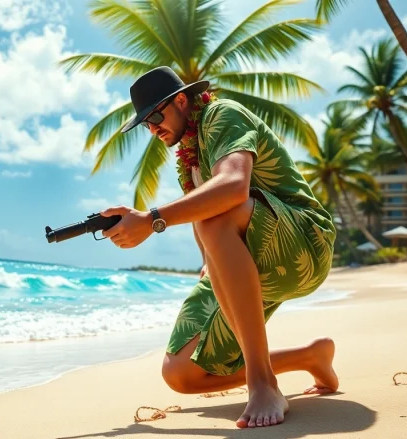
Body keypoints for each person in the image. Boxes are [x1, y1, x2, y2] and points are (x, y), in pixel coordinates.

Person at [99, 66, 339, 429]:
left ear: (182, 101)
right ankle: (309, 357)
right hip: (247, 255)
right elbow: (203, 217)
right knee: (179, 373)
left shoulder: (221, 114)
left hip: (305, 243)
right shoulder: (189, 158)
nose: (152, 129)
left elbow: (233, 187)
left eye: (155, 117)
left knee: (215, 214)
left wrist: (150, 220)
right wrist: (210, 264)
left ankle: (263, 383)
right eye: (145, 125)